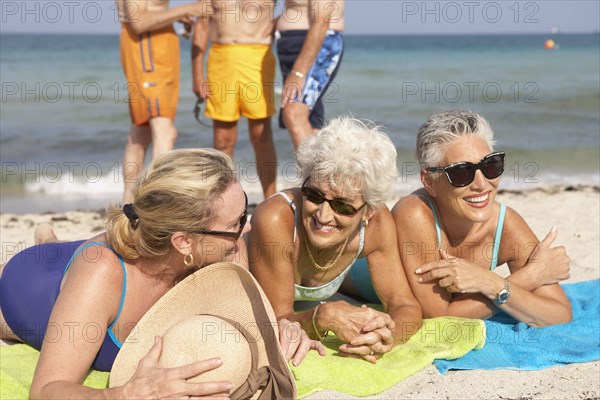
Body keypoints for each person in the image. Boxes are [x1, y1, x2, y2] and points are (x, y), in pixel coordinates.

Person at [0, 149, 322, 398]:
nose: (247, 228)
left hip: (101, 262)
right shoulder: (102, 274)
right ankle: (47, 244)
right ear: (184, 242)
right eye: (236, 223)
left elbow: (246, 322)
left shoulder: (226, 248)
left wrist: (280, 330)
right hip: (27, 286)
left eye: (246, 210)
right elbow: (46, 389)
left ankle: (50, 238)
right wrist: (122, 395)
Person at [248, 116, 422, 363]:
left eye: (342, 205)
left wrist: (386, 336)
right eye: (313, 195)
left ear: (369, 211)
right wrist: (323, 316)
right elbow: (277, 323)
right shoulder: (276, 220)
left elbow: (405, 305)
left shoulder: (378, 223)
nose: (323, 215)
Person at [392, 109, 572, 327]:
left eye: (490, 165)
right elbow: (439, 318)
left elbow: (559, 314)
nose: (481, 184)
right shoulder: (415, 212)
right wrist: (531, 275)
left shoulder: (505, 225)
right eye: (460, 172)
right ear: (429, 181)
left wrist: (490, 283)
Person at [118, 0, 203, 203]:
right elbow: (138, 21)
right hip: (148, 49)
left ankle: (128, 209)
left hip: (155, 49)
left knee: (141, 132)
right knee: (165, 131)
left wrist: (174, 16)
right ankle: (158, 206)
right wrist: (187, 9)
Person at [192, 0, 278, 198]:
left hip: (258, 57)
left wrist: (282, 23)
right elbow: (202, 24)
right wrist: (197, 74)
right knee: (223, 139)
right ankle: (225, 198)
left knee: (261, 136)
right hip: (221, 58)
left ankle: (270, 198)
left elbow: (299, 7)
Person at [276, 0, 345, 149]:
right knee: (310, 122)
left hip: (318, 44)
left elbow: (321, 21)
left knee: (293, 112)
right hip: (292, 46)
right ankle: (322, 170)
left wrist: (298, 72)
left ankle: (312, 172)